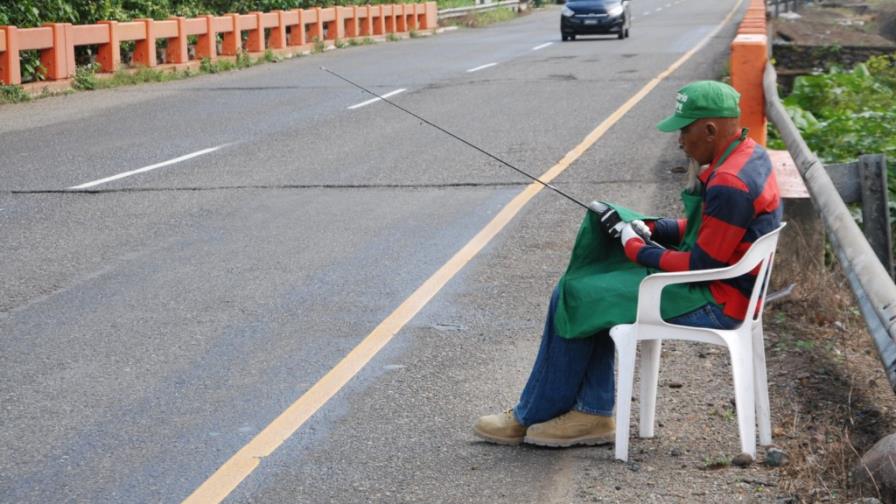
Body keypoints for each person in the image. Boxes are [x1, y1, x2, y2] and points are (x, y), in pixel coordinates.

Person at [473, 80, 782, 447]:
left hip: (716, 302)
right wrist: (652, 227)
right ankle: (591, 411)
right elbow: (710, 230)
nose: (680, 141)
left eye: (685, 130)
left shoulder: (729, 182)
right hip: (729, 289)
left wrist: (634, 245)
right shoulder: (749, 154)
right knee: (593, 289)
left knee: (576, 293)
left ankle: (536, 413)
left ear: (710, 130)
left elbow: (699, 263)